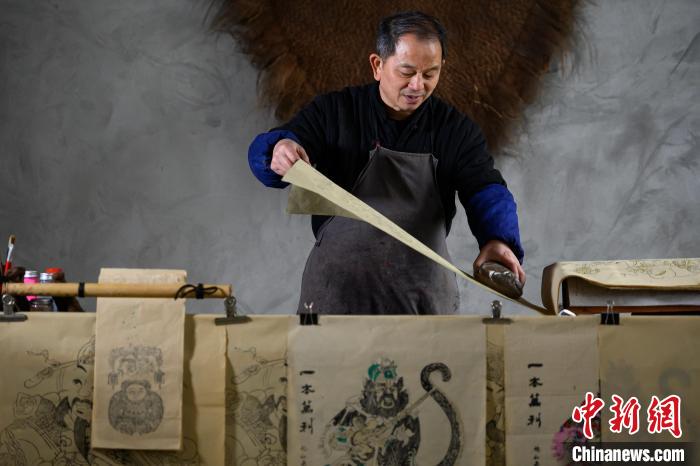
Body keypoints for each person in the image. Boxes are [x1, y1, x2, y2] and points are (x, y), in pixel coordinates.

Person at [248, 11, 525, 315]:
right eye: (407, 72)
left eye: (430, 74)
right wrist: (280, 149)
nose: (417, 85)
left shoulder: (456, 131)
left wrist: (498, 239)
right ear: (377, 65)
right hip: (333, 297)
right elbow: (275, 149)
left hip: (423, 303)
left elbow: (485, 189)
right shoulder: (335, 112)